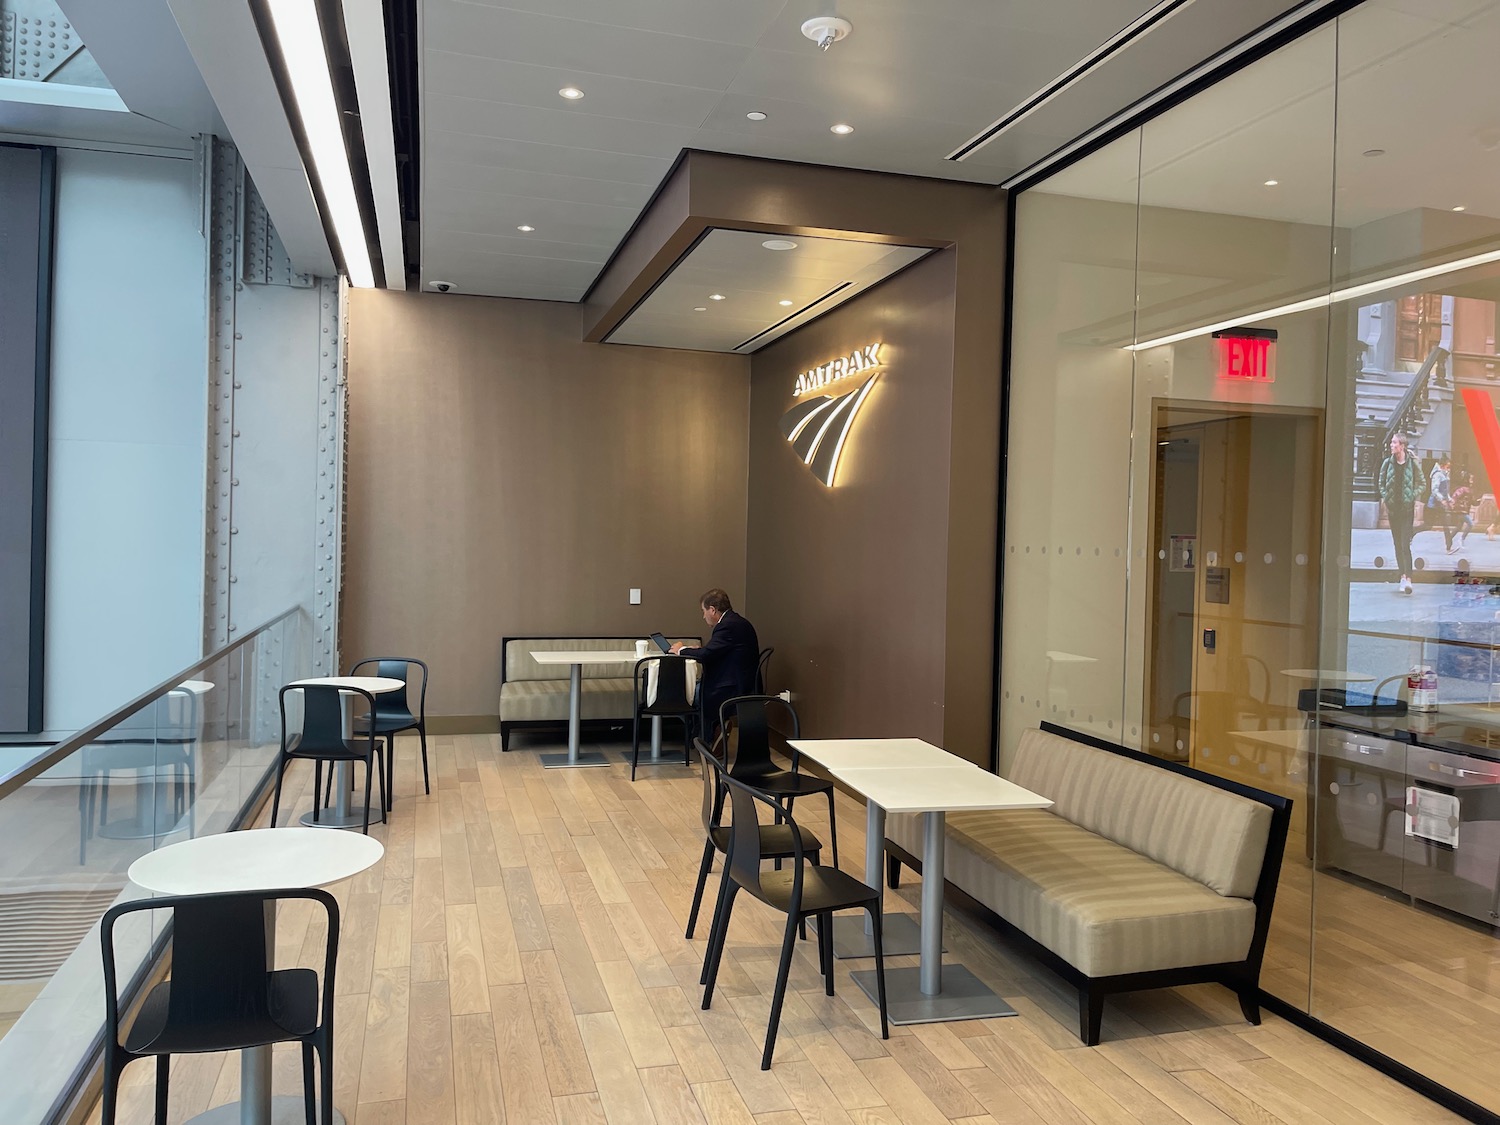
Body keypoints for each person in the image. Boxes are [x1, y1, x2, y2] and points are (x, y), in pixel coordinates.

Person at [671, 588, 759, 740]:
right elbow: (717, 651)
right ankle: (708, 732)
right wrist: (698, 649)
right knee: (690, 690)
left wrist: (681, 650)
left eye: (703, 611)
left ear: (712, 610)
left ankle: (711, 731)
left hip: (731, 687)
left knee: (680, 695)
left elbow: (707, 655)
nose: (703, 616)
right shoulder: (736, 621)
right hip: (741, 681)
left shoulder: (727, 626)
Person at [1378, 432, 1420, 594]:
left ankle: (1409, 578)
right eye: (1391, 442)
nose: (1391, 445)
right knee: (1397, 544)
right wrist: (1386, 497)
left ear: (1402, 446)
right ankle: (1402, 576)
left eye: (1394, 443)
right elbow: (1381, 482)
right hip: (1393, 510)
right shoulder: (1387, 463)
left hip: (1407, 510)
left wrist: (1413, 495)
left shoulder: (1412, 463)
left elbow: (1422, 482)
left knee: (1404, 544)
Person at [1428, 456, 1455, 553]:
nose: (1449, 469)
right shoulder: (1438, 475)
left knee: (1446, 525)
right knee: (1427, 525)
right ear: (1442, 465)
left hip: (1440, 504)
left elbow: (1444, 491)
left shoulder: (1444, 475)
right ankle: (1411, 533)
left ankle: (1449, 547)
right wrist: (1442, 500)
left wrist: (1449, 499)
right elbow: (1434, 490)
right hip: (1434, 504)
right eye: (1448, 466)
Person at [1451, 470, 1475, 548]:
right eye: (1471, 479)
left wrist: (1477, 501)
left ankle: (1449, 539)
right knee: (1470, 524)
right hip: (1461, 510)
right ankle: (1461, 538)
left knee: (1459, 526)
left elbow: (1472, 501)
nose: (1472, 481)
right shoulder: (1463, 489)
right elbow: (1454, 497)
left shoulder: (1469, 489)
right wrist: (1453, 505)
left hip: (1463, 511)